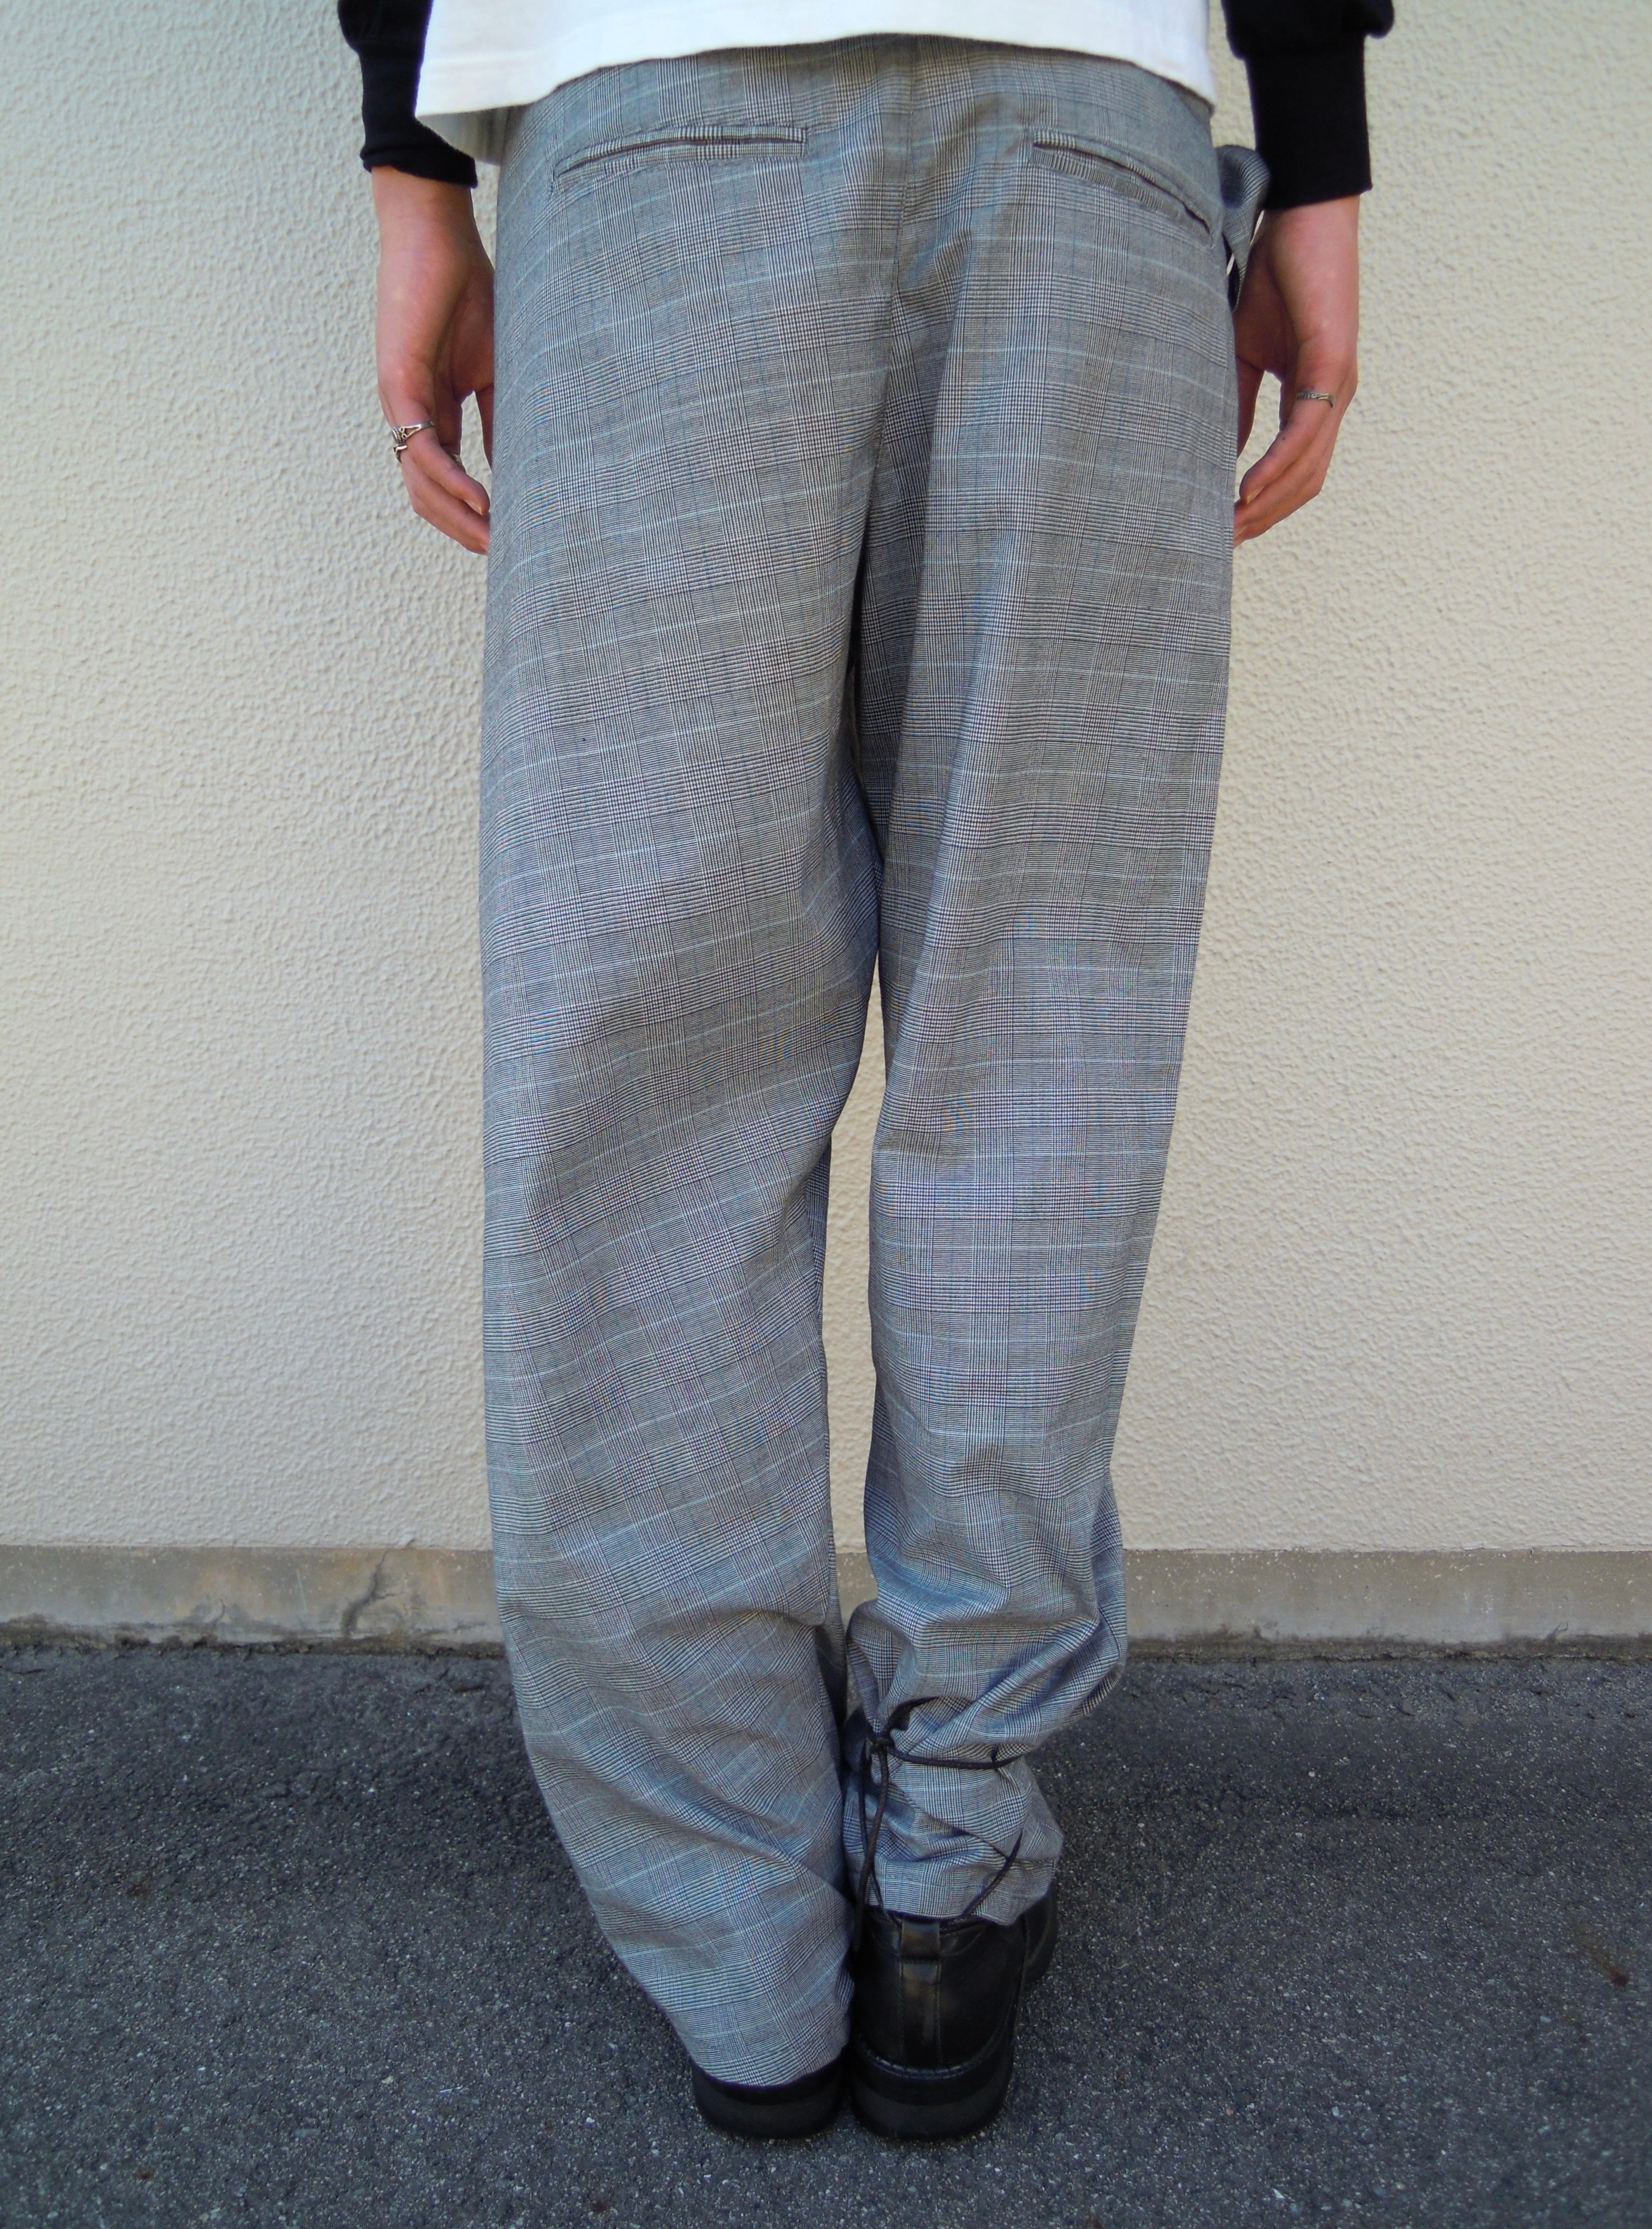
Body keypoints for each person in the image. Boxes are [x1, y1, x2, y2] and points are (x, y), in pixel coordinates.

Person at [339, 0, 1391, 2143]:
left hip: (649, 102)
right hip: (1083, 118)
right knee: (1043, 1029)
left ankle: (731, 1913)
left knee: (647, 1072)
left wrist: (411, 162)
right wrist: (1320, 143)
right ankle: (946, 1847)